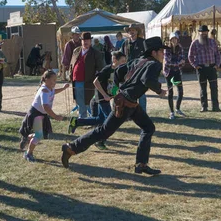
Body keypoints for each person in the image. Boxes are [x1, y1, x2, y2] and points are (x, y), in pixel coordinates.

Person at [61, 37, 169, 175]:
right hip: (125, 104)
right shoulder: (154, 64)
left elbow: (119, 72)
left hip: (130, 103)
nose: (163, 54)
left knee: (148, 127)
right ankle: (71, 148)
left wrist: (121, 88)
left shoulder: (139, 61)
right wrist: (159, 91)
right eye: (161, 51)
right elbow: (147, 80)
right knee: (104, 131)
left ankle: (141, 164)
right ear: (154, 52)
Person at [67, 51, 128, 149]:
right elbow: (95, 82)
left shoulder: (119, 71)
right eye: (122, 61)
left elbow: (116, 86)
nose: (124, 63)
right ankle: (100, 141)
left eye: (125, 61)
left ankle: (77, 121)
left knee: (99, 119)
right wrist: (104, 95)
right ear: (114, 60)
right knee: (110, 121)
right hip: (101, 97)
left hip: (106, 98)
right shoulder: (108, 69)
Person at [19, 70, 70, 162]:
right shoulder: (44, 90)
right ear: (46, 79)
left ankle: (28, 137)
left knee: (40, 134)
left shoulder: (49, 88)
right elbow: (45, 106)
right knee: (39, 135)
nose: (55, 82)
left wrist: (63, 88)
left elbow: (54, 92)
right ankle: (28, 154)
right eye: (53, 80)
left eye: (56, 80)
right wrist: (55, 116)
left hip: (42, 115)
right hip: (36, 114)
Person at [69, 32, 105, 118]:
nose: (86, 42)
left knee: (89, 102)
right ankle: (83, 119)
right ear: (81, 41)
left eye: (88, 40)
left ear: (90, 41)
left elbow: (101, 68)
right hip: (76, 80)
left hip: (89, 82)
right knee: (80, 101)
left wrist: (98, 80)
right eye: (84, 40)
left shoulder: (96, 53)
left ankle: (92, 119)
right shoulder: (76, 51)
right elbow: (72, 64)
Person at [188, 25, 221, 112]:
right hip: (201, 68)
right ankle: (204, 107)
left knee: (214, 88)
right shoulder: (195, 43)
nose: (203, 33)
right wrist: (195, 66)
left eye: (205, 32)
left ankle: (215, 107)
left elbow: (218, 54)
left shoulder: (212, 42)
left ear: (207, 32)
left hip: (211, 67)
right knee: (203, 88)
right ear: (199, 33)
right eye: (201, 32)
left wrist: (217, 65)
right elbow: (190, 56)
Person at [123, 25, 147, 111]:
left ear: (137, 32)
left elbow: (147, 56)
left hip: (141, 71)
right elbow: (121, 57)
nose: (131, 32)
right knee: (130, 93)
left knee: (142, 94)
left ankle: (143, 113)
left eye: (133, 30)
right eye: (130, 31)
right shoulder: (125, 43)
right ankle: (131, 113)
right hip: (129, 73)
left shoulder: (143, 42)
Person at [164, 32, 186, 119]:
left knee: (180, 91)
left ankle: (177, 108)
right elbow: (167, 62)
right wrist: (178, 63)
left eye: (175, 39)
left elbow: (183, 59)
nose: (174, 40)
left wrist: (179, 63)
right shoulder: (167, 48)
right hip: (169, 72)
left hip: (177, 71)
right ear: (170, 40)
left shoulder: (180, 48)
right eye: (172, 39)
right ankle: (171, 112)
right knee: (170, 92)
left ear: (177, 40)